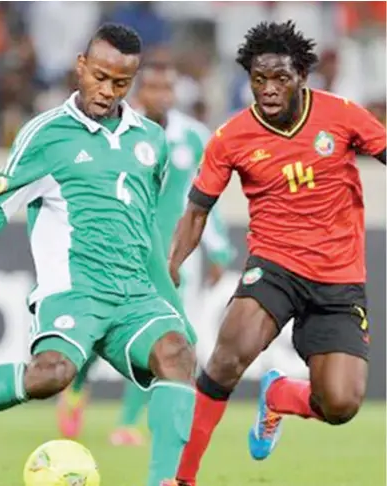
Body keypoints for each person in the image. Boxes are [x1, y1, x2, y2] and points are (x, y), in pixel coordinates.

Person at [0, 24, 197, 486]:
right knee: (49, 376)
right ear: (81, 67)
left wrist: (175, 309)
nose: (106, 91)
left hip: (134, 296)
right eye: (100, 77)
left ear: (133, 80)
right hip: (74, 292)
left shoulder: (150, 141)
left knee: (177, 355)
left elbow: (146, 234)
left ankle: (164, 482)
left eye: (120, 83)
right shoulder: (46, 135)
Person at [167, 21, 386, 485]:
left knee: (341, 404)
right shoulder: (231, 137)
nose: (268, 89)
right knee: (229, 354)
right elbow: (196, 211)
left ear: (302, 76)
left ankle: (281, 396)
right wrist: (170, 266)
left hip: (338, 276)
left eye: (280, 78)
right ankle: (181, 478)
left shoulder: (341, 115)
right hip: (275, 265)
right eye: (259, 79)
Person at [56, 61, 236, 446]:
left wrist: (218, 250)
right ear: (139, 91)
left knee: (164, 337)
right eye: (153, 88)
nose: (162, 96)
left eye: (168, 88)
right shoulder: (119, 131)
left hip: (169, 258)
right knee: (99, 330)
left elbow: (206, 198)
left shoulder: (194, 136)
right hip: (119, 249)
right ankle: (76, 387)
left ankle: (128, 423)